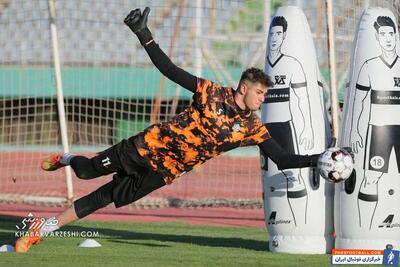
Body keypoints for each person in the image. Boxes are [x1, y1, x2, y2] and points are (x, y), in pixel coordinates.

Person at [15, 7, 322, 253]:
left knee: (102, 198)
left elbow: (282, 159)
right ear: (243, 88)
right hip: (145, 146)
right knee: (87, 172)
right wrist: (144, 34)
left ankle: (40, 230)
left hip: (163, 173)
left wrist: (318, 159)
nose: (262, 98)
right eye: (260, 93)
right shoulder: (210, 92)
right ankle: (67, 158)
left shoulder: (252, 128)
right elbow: (170, 70)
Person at [349, 16, 400, 229]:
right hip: (378, 129)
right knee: (371, 178)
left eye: (391, 33)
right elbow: (360, 102)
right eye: (383, 34)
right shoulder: (369, 66)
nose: (388, 38)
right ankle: (365, 229)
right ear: (377, 38)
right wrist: (358, 131)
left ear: (396, 36)